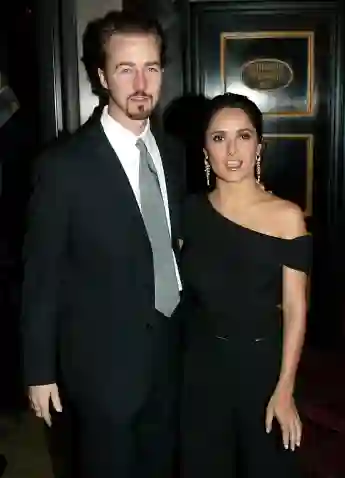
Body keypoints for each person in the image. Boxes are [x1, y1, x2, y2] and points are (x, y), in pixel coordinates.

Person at [21, 11, 184, 478]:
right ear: (101, 76)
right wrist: (39, 370)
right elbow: (41, 276)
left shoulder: (173, 153)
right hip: (101, 366)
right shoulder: (63, 167)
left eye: (150, 67)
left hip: (170, 354)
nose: (140, 82)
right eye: (125, 68)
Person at [179, 93, 311, 477]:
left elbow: (296, 310)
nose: (232, 150)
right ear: (205, 148)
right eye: (219, 138)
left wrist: (285, 388)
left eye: (244, 136)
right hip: (200, 370)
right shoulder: (190, 211)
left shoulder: (286, 217)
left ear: (259, 145)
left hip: (261, 369)